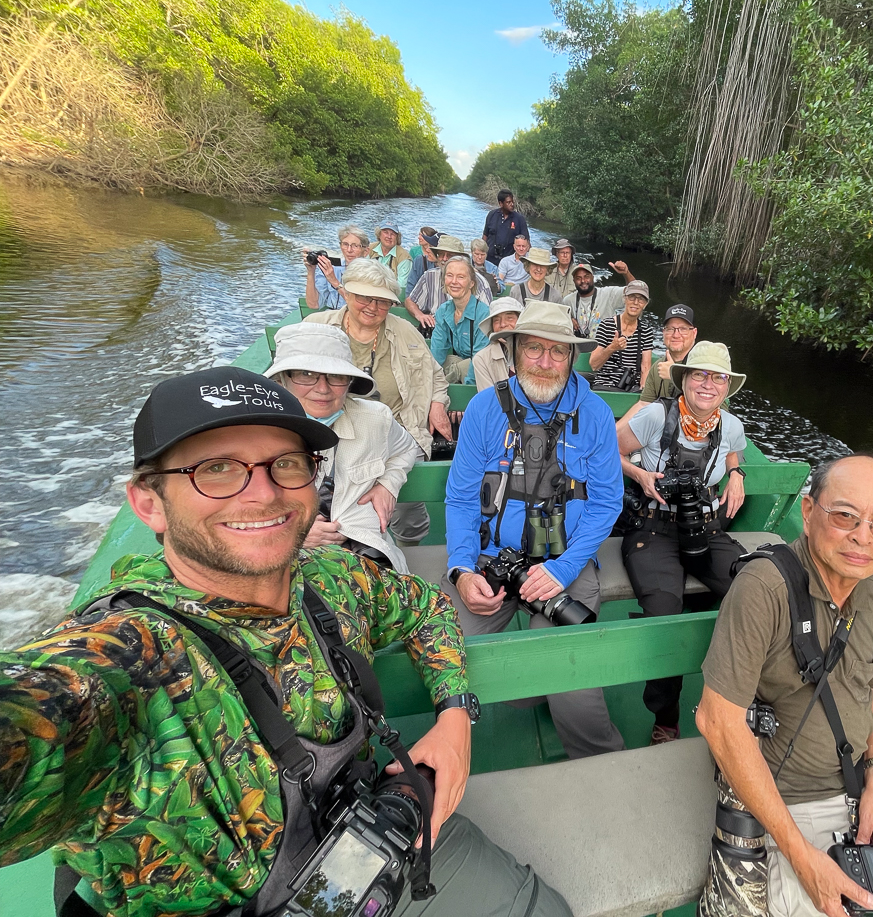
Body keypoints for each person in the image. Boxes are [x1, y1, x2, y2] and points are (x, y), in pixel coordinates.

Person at [0, 366, 573, 917]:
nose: (262, 492)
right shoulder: (125, 656)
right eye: (217, 468)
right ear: (149, 502)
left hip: (370, 845)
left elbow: (424, 608)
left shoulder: (330, 577)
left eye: (287, 464)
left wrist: (454, 718)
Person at [695, 455, 873, 917]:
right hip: (788, 806)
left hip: (869, 786)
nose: (863, 537)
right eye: (845, 516)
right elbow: (716, 721)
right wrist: (803, 858)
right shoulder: (764, 588)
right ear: (807, 512)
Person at [441, 302, 626, 759]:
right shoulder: (485, 408)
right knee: (453, 659)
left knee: (567, 674)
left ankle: (601, 764)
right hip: (493, 559)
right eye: (534, 349)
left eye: (557, 352)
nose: (545, 362)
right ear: (515, 351)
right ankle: (524, 696)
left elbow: (607, 502)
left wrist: (563, 569)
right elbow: (462, 498)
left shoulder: (597, 414)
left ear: (572, 357)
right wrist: (462, 569)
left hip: (567, 560)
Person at [617, 341, 749, 743]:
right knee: (663, 613)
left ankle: (740, 695)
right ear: (685, 380)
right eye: (700, 375)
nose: (708, 384)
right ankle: (666, 717)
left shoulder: (731, 426)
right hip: (653, 528)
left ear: (727, 387)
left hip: (705, 527)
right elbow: (609, 452)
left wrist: (737, 473)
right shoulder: (656, 415)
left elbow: (733, 454)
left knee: (757, 585)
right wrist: (638, 475)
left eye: (717, 378)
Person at [307, 258, 453, 547]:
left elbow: (436, 374)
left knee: (406, 511)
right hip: (323, 435)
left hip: (395, 432)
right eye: (364, 297)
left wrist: (437, 403)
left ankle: (409, 542)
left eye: (382, 301)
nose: (372, 307)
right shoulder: (317, 329)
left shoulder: (405, 332)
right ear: (346, 292)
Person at [265, 322, 419, 571]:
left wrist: (388, 485)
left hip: (366, 558)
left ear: (348, 382)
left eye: (336, 376)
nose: (323, 388)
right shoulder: (257, 433)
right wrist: (291, 534)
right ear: (283, 380)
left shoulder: (375, 418)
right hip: (284, 564)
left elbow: (406, 449)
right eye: (306, 374)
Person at [617, 303, 698, 429]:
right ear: (663, 333)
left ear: (694, 333)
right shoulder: (658, 366)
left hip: (693, 436)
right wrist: (613, 432)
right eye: (670, 329)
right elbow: (643, 403)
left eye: (683, 329)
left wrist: (674, 375)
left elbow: (706, 408)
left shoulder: (703, 364)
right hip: (661, 433)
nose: (676, 335)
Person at [406, 235, 492, 332]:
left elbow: (487, 319)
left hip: (469, 333)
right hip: (436, 330)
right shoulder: (429, 276)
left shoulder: (480, 282)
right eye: (441, 254)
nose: (444, 259)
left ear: (461, 258)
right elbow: (410, 301)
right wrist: (420, 315)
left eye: (450, 255)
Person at [429, 255, 491, 384]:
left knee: (464, 366)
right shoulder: (443, 310)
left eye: (461, 277)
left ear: (471, 283)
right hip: (462, 362)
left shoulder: (483, 314)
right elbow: (437, 351)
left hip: (484, 370)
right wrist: (430, 380)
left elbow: (479, 360)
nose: (454, 281)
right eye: (450, 275)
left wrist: (464, 392)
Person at [590, 281, 655, 392]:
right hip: (605, 385)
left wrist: (643, 391)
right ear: (625, 299)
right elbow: (594, 365)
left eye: (641, 299)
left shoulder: (646, 330)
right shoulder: (607, 324)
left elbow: (645, 367)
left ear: (645, 304)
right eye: (632, 297)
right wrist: (612, 348)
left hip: (631, 387)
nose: (635, 302)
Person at [304, 223, 369, 310]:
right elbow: (314, 304)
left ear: (365, 251)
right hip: (332, 316)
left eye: (355, 246)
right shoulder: (332, 268)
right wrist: (311, 271)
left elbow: (359, 305)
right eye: (345, 244)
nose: (349, 250)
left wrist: (334, 281)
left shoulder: (371, 272)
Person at [567, 259, 636, 339]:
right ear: (574, 281)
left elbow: (635, 290)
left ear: (593, 277)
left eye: (586, 277)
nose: (583, 281)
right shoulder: (568, 301)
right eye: (578, 278)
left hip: (605, 347)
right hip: (580, 347)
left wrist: (626, 273)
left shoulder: (609, 294)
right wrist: (568, 320)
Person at [472, 296, 523, 391]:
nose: (503, 324)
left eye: (510, 318)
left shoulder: (535, 351)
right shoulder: (482, 359)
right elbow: (489, 400)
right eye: (496, 320)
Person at [482, 188, 529, 264]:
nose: (512, 204)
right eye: (508, 202)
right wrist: (481, 253)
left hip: (509, 262)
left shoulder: (519, 219)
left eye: (512, 202)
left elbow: (526, 242)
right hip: (489, 259)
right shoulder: (491, 215)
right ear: (501, 203)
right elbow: (485, 236)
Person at [371, 218, 414, 296]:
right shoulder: (370, 249)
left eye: (393, 234)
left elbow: (401, 286)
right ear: (379, 235)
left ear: (397, 237)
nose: (389, 236)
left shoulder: (403, 257)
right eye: (385, 232)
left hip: (392, 296)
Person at [406, 225, 438, 295]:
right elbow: (411, 278)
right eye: (419, 235)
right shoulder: (415, 252)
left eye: (422, 235)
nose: (419, 237)